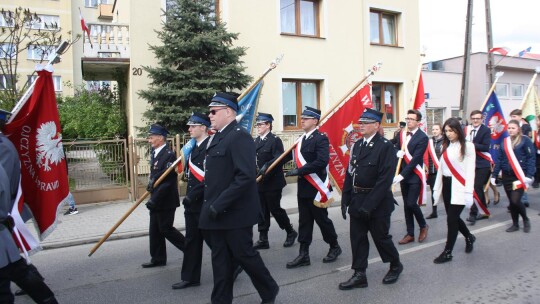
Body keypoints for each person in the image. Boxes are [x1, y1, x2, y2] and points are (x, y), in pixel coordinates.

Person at [200, 92, 279, 304]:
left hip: (235, 213)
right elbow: (215, 176)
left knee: (244, 255)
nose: (210, 115)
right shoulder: (217, 136)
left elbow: (245, 177)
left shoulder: (239, 136)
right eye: (210, 111)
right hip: (217, 211)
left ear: (228, 111)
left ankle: (269, 289)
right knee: (220, 260)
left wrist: (219, 204)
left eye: (214, 111)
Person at [339, 108, 403, 290]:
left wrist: (369, 206)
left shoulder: (385, 147)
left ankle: (395, 264)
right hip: (358, 199)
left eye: (366, 123)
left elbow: (384, 180)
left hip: (378, 203)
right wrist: (345, 198)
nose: (362, 125)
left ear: (376, 125)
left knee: (381, 238)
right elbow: (350, 173)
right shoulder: (358, 145)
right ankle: (359, 274)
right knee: (357, 239)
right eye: (361, 122)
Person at [0, 108, 58, 304]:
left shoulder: (4, 147)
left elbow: (5, 187)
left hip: (4, 219)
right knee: (17, 269)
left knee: (16, 271)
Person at [283, 106, 342, 269]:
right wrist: (271, 165)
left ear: (315, 121)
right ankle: (304, 254)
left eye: (306, 118)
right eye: (301, 118)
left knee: (322, 220)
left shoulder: (321, 138)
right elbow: (287, 157)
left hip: (316, 189)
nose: (302, 120)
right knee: (304, 222)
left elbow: (322, 161)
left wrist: (299, 170)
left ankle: (334, 246)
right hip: (303, 188)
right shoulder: (300, 139)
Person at [171, 113, 211, 290]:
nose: (189, 129)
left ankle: (234, 265)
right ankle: (190, 277)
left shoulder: (211, 146)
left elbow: (210, 177)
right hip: (192, 203)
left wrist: (193, 196)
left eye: (193, 126)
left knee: (214, 240)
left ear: (203, 127)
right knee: (191, 241)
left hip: (204, 201)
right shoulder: (193, 148)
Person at [431, 118, 477, 264]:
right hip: (447, 185)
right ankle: (469, 236)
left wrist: (469, 192)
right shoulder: (446, 146)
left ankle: (448, 252)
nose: (448, 134)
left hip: (460, 187)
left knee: (451, 219)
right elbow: (441, 170)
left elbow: (470, 170)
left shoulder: (468, 146)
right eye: (446, 131)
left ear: (458, 130)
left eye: (451, 130)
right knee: (454, 218)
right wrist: (436, 188)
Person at [142, 124, 185, 268]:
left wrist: (154, 199)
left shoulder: (169, 155)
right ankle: (158, 258)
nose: (149, 140)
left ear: (160, 138)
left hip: (165, 200)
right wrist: (151, 185)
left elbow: (167, 182)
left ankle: (190, 249)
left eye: (152, 137)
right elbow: (156, 176)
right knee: (155, 230)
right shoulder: (155, 153)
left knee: (166, 228)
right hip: (156, 198)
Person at [253, 112, 297, 250]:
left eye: (260, 124)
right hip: (259, 182)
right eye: (257, 124)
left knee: (275, 209)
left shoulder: (274, 140)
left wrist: (268, 165)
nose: (258, 127)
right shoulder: (256, 141)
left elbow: (280, 158)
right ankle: (263, 238)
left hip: (273, 182)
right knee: (261, 210)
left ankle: (290, 231)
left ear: (268, 125)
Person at [491, 120, 535, 233]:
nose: (510, 130)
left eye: (513, 128)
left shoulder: (525, 141)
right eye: (509, 128)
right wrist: (494, 174)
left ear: (518, 129)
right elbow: (499, 159)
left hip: (520, 175)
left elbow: (531, 158)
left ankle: (525, 219)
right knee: (511, 201)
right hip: (507, 175)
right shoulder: (505, 142)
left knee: (516, 200)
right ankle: (515, 224)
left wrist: (529, 175)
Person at [393, 109, 429, 245]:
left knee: (411, 203)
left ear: (418, 122)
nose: (408, 121)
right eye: (407, 118)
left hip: (414, 176)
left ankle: (423, 225)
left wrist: (402, 175)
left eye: (411, 119)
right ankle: (410, 233)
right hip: (403, 176)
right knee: (406, 206)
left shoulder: (423, 137)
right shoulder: (402, 134)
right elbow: (395, 146)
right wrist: (397, 152)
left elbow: (415, 160)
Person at [465, 110, 492, 225]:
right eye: (473, 118)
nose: (475, 120)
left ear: (482, 119)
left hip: (482, 164)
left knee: (475, 187)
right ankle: (484, 210)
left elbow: (486, 147)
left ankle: (473, 213)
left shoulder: (486, 130)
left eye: (478, 118)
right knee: (475, 188)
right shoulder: (466, 130)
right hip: (469, 163)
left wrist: (471, 144)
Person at [510, 109, 532, 207]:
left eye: (514, 116)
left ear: (520, 116)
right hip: (513, 157)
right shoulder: (511, 126)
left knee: (521, 180)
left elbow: (527, 139)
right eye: (511, 117)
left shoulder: (525, 126)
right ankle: (516, 201)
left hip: (522, 158)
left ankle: (523, 199)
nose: (512, 118)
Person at [426, 123, 443, 219]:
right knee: (433, 191)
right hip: (432, 170)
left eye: (436, 129)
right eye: (433, 129)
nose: (434, 131)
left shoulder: (445, 141)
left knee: (445, 192)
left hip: (441, 170)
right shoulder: (430, 142)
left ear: (440, 130)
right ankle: (434, 211)